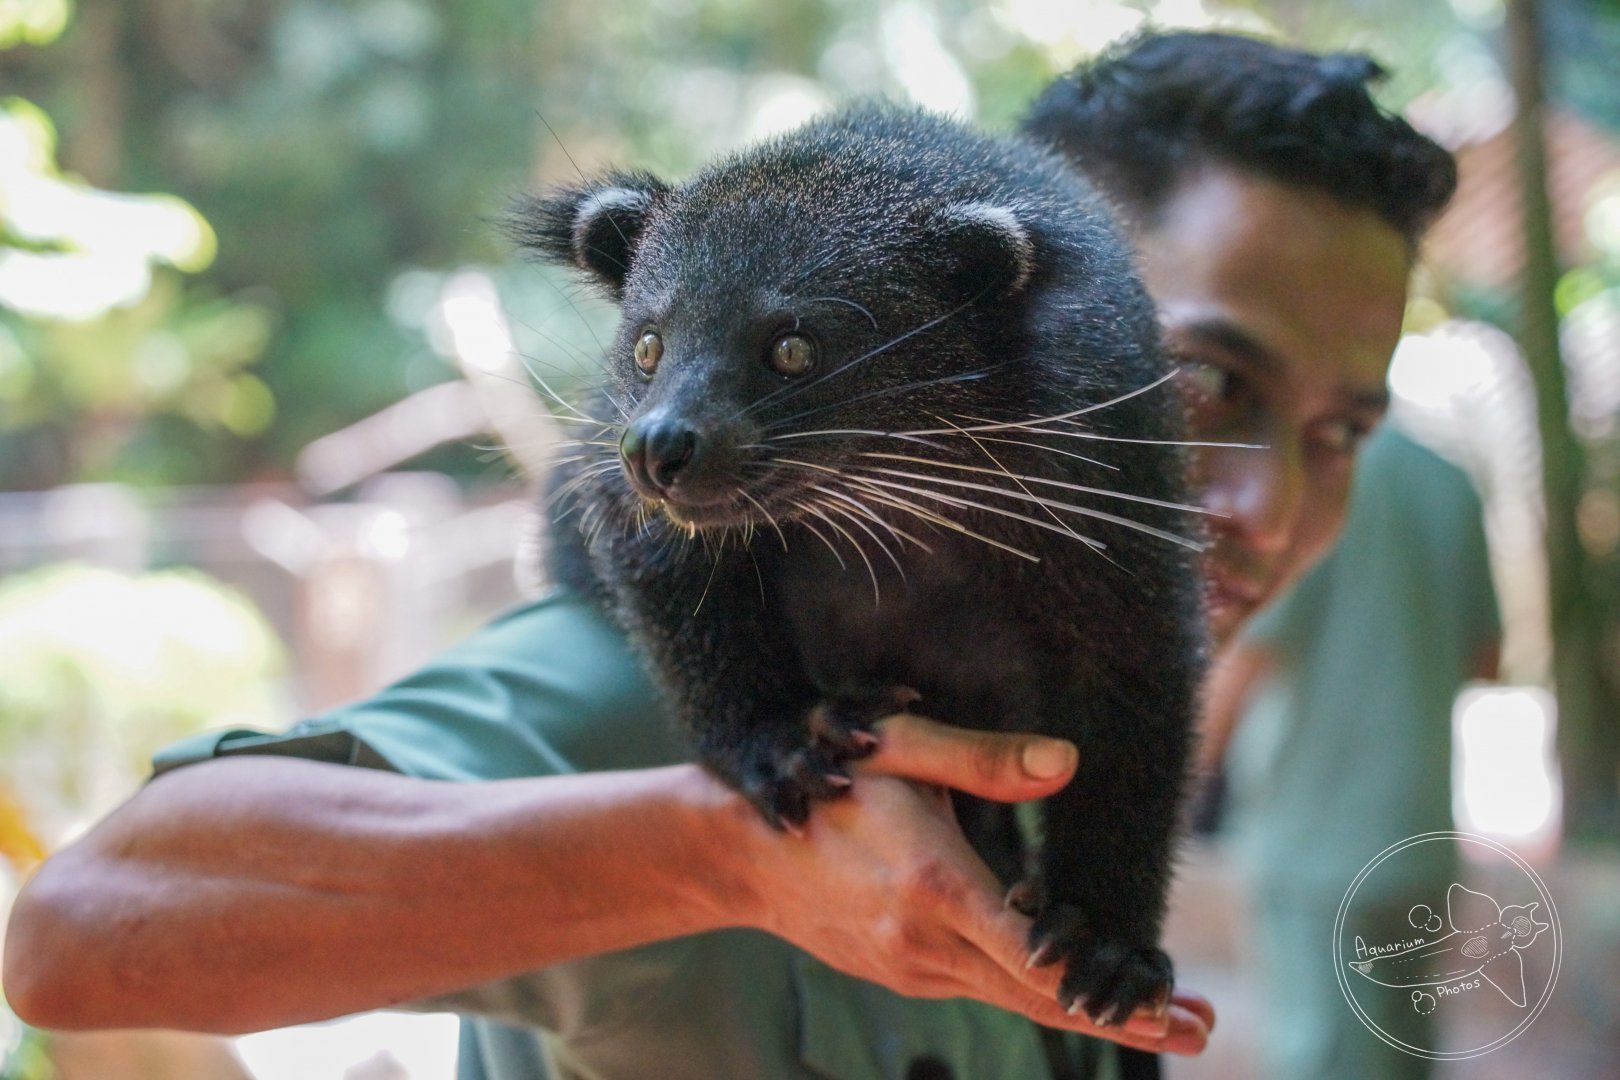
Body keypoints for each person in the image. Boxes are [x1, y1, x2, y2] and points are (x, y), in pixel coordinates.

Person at [3, 30, 1457, 1080]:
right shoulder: (636, 682)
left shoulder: (1068, 697)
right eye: (1203, 384)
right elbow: (84, 932)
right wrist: (719, 856)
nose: (1266, 507)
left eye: (1342, 432)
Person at [1203, 422, 1501, 1080]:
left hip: (1319, 850)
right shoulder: (1449, 482)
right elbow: (1488, 656)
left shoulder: (1318, 479)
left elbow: (1248, 655)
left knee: (1324, 1061)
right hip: (1420, 838)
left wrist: (1163, 790)